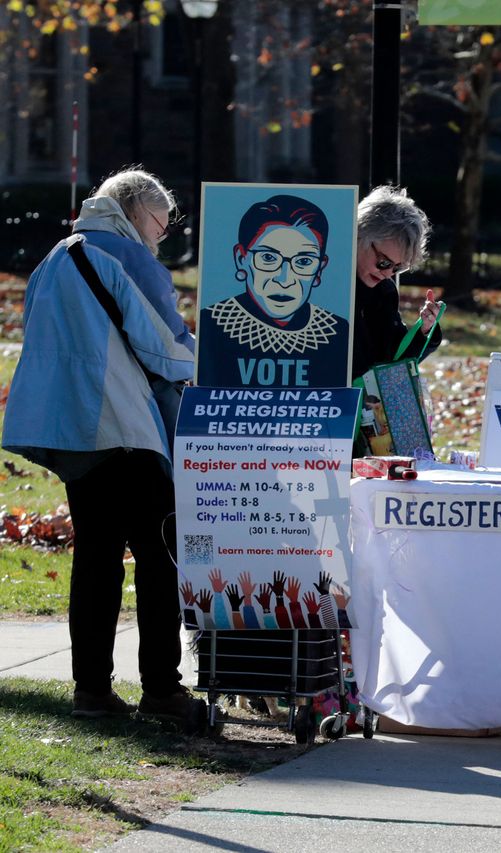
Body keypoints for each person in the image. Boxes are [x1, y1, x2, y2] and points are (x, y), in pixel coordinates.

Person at [2, 168, 202, 721]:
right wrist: (202, 360)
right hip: (124, 425)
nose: (162, 237)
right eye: (161, 225)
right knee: (159, 558)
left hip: (70, 430)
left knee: (95, 559)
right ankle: (162, 689)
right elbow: (166, 347)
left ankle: (91, 689)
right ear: (138, 213)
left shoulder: (56, 256)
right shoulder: (128, 255)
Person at [198, 194, 349, 388]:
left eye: (303, 262)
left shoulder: (336, 332)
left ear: (320, 268)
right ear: (241, 258)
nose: (284, 279)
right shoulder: (211, 326)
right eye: (268, 258)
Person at [350, 185, 443, 382]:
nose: (387, 273)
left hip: (366, 405)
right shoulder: (326, 281)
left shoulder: (383, 291)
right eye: (383, 262)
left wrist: (424, 330)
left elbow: (395, 361)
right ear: (359, 237)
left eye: (397, 268)